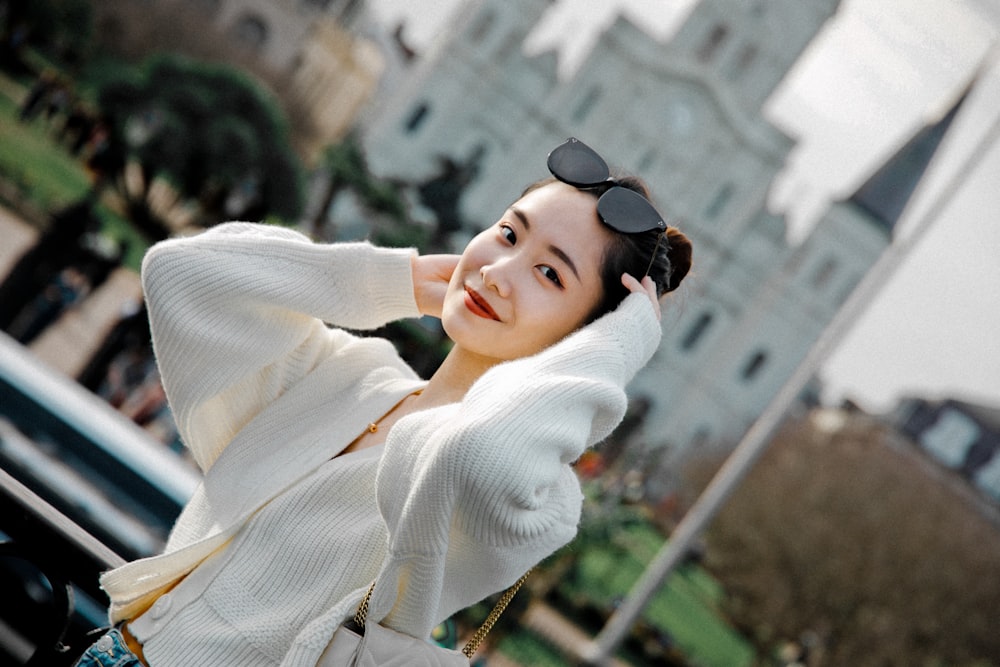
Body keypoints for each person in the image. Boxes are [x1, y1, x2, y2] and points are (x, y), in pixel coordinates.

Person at [74, 138, 693, 666]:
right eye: (508, 233)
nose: (499, 271)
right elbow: (181, 275)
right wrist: (388, 281)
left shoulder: (536, 497)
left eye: (551, 274)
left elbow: (468, 453)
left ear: (587, 342)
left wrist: (620, 346)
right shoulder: (354, 376)